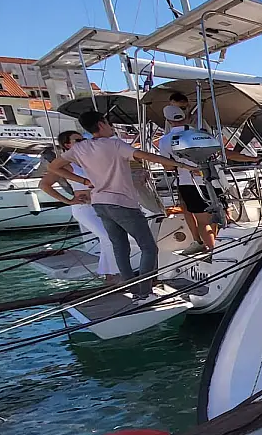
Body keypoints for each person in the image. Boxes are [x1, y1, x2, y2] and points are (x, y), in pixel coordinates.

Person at [48, 110, 198, 301]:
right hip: (122, 203)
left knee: (120, 248)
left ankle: (133, 290)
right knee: (149, 248)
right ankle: (145, 292)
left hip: (100, 203)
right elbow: (147, 156)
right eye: (108, 123)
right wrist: (183, 165)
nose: (111, 127)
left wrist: (83, 181)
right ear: (101, 124)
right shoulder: (115, 144)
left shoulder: (80, 148)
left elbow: (53, 167)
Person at [157, 104, 256, 251]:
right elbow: (221, 153)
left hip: (189, 183)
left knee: (203, 222)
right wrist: (253, 159)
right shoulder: (201, 134)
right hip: (213, 181)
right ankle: (222, 248)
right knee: (218, 216)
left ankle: (213, 250)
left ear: (168, 121)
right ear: (185, 117)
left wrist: (180, 164)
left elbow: (168, 167)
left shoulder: (165, 140)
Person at [39, 130, 119, 280]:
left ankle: (109, 275)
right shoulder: (66, 165)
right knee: (108, 237)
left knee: (107, 238)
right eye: (78, 140)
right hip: (84, 208)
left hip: (101, 204)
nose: (83, 142)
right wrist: (68, 201)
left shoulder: (89, 160)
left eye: (83, 139)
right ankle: (113, 274)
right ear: (67, 145)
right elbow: (44, 184)